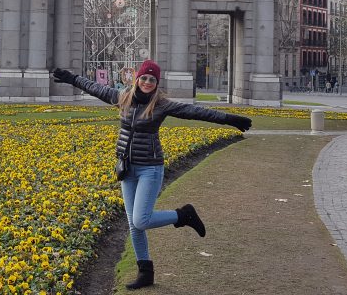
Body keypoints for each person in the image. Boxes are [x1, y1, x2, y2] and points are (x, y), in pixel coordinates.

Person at [51, 59, 252, 290]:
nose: (147, 82)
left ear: (157, 83)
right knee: (134, 225)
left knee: (141, 220)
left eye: (152, 79)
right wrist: (72, 79)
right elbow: (97, 88)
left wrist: (230, 119)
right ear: (137, 79)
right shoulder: (123, 97)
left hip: (150, 168)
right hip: (127, 168)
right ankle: (145, 273)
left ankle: (183, 215)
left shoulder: (161, 105)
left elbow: (195, 112)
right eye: (144, 78)